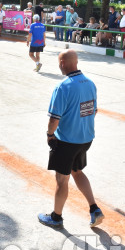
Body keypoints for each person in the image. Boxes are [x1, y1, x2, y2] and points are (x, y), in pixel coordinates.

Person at [37, 50, 103, 229]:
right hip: (85, 139)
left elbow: (54, 119)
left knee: (61, 180)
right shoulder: (90, 84)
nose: (59, 66)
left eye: (59, 63)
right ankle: (94, 209)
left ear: (63, 63)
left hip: (67, 142)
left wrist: (50, 135)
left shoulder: (63, 87)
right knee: (77, 171)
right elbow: (93, 110)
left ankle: (56, 217)